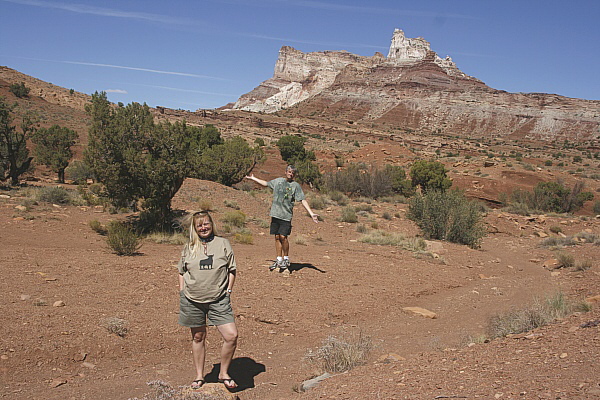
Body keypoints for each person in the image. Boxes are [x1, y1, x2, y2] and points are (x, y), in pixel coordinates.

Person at [177, 211, 238, 390]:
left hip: (219, 298)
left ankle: (223, 373)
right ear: (195, 228)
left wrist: (228, 290)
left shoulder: (223, 243)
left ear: (212, 224)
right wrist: (182, 291)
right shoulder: (189, 246)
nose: (203, 228)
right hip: (192, 299)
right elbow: (181, 271)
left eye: (206, 224)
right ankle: (199, 376)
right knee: (198, 336)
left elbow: (232, 269)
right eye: (199, 225)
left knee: (231, 335)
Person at [245, 164, 319, 272]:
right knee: (277, 237)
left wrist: (311, 213)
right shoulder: (278, 181)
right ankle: (279, 259)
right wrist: (253, 178)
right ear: (285, 172)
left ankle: (286, 258)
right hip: (275, 214)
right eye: (289, 171)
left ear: (295, 175)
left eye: (293, 173)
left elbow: (302, 200)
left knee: (283, 237)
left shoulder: (295, 186)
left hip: (286, 216)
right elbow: (266, 184)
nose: (291, 174)